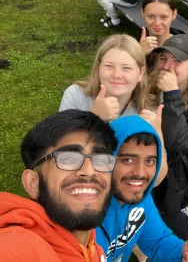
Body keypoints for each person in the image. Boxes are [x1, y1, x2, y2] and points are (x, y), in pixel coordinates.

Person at [0, 110, 118, 261]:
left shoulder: (92, 247)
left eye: (101, 160)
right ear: (33, 182)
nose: (89, 171)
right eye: (68, 159)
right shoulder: (20, 246)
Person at [59, 34, 167, 186]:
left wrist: (158, 135)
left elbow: (156, 179)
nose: (117, 74)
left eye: (126, 68)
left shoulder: (148, 110)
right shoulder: (76, 95)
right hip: (82, 183)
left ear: (140, 73)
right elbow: (60, 153)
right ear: (98, 68)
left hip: (122, 190)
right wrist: (93, 117)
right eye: (109, 66)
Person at [97, 114, 188, 262]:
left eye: (150, 161)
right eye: (128, 160)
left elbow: (158, 242)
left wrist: (181, 253)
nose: (140, 173)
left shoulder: (141, 198)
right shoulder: (83, 214)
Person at [149, 34, 188, 240]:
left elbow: (178, 142)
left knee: (171, 206)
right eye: (164, 59)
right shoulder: (148, 88)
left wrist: (172, 94)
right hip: (148, 162)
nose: (168, 66)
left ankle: (181, 212)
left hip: (176, 173)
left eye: (177, 61)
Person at [139, 0, 185, 71]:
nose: (157, 23)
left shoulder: (184, 47)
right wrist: (138, 53)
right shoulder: (132, 45)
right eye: (151, 16)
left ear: (174, 14)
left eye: (164, 17)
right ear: (142, 13)